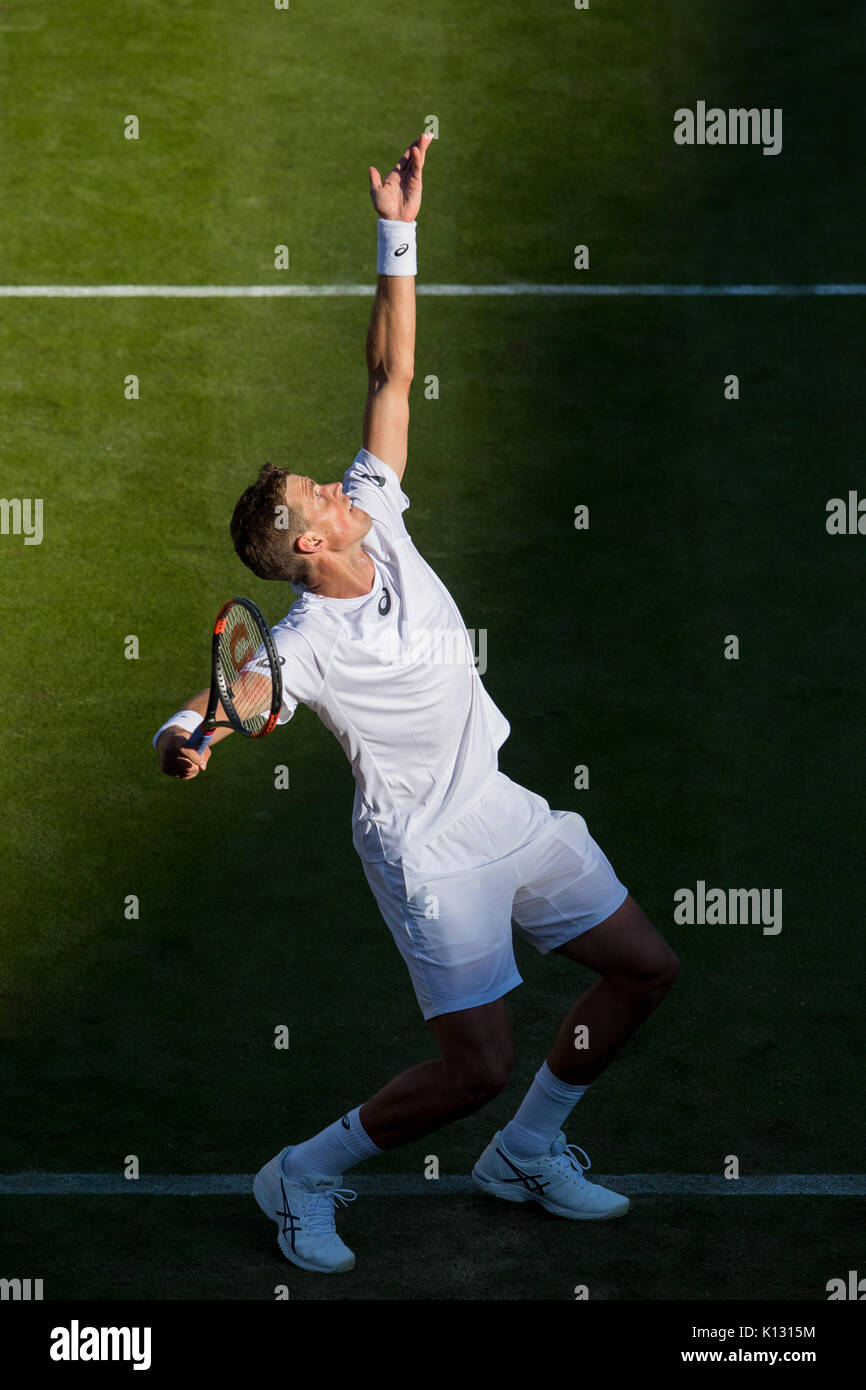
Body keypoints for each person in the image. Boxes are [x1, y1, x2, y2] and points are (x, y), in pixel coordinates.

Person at [154, 132, 679, 1276]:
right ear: (305, 544)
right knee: (471, 1068)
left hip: (496, 805)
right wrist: (185, 733)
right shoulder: (306, 641)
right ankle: (303, 1171)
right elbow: (236, 696)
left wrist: (400, 229)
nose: (330, 484)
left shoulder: (376, 509)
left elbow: (388, 374)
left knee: (642, 966)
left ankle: (525, 1153)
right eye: (312, 494)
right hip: (425, 851)